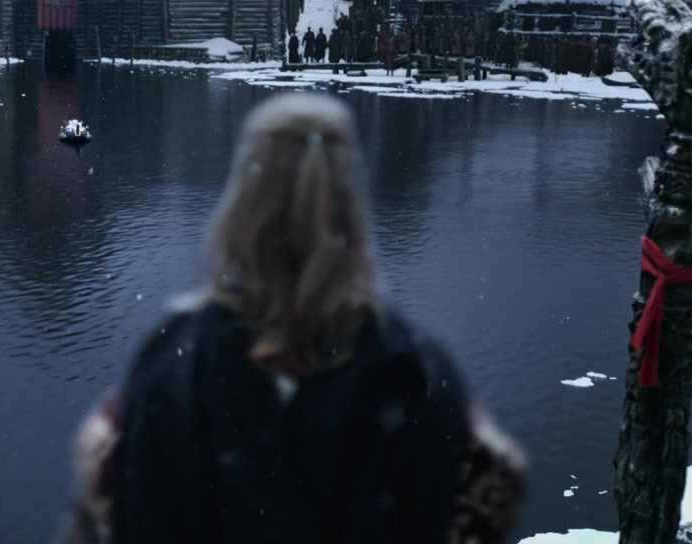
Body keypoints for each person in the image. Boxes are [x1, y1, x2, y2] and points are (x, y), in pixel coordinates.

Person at [60, 94, 526, 544]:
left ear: (242, 208)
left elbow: (115, 514)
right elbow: (472, 502)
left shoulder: (171, 367)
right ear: (349, 209)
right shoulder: (416, 373)